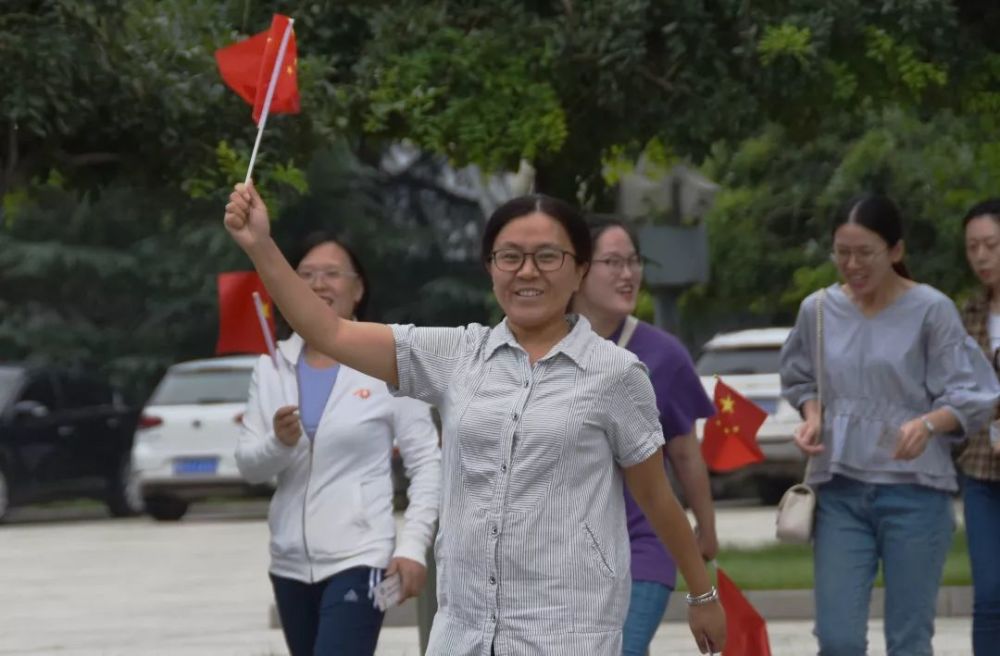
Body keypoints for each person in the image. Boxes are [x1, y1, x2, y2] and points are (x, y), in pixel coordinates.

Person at [224, 182, 727, 656]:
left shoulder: (616, 374)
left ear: (578, 270)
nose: (527, 271)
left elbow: (656, 495)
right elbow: (330, 331)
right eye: (510, 257)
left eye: (547, 256)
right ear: (490, 268)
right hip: (465, 632)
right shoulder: (456, 355)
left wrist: (702, 594)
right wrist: (260, 245)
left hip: (567, 629)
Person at [780, 193, 999, 656]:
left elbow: (972, 389)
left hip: (915, 495)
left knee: (909, 640)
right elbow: (801, 378)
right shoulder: (817, 310)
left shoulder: (931, 309)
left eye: (865, 253)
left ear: (895, 252)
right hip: (839, 492)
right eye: (842, 253)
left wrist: (930, 424)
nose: (852, 265)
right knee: (837, 639)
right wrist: (812, 418)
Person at [234, 231, 442, 656]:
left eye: (331, 274)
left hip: (361, 557)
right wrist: (278, 442)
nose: (317, 285)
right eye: (305, 274)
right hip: (289, 561)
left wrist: (412, 546)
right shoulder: (272, 367)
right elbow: (249, 466)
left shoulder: (389, 361)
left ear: (358, 288)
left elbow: (427, 463)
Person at [571, 216, 717, 655]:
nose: (627, 274)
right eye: (612, 262)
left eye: (633, 261)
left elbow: (686, 455)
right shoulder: (545, 347)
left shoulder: (663, 354)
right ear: (578, 271)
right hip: (568, 551)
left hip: (644, 545)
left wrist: (706, 530)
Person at [959, 198, 1000, 655]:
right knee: (989, 594)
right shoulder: (967, 314)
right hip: (981, 470)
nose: (982, 257)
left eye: (991, 245)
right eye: (973, 247)